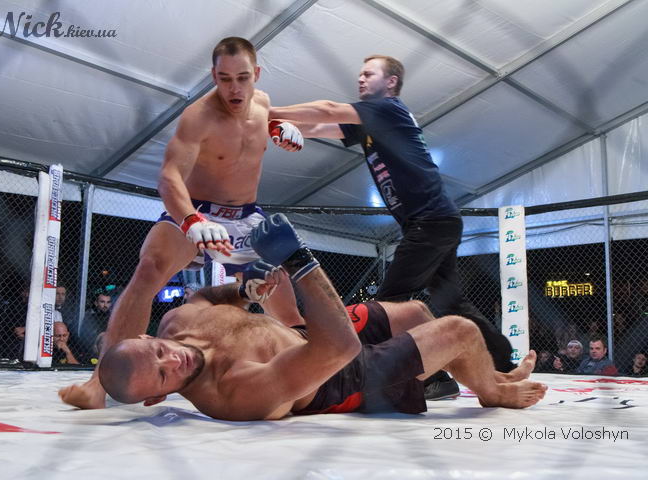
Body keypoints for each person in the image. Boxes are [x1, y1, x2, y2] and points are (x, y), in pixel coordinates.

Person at [97, 214, 546, 420]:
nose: (172, 359)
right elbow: (339, 348)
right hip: (338, 377)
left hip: (295, 335)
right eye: (163, 375)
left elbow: (206, 295)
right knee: (459, 331)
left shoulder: (178, 323)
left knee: (415, 311)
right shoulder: (233, 393)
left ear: (152, 336)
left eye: (158, 352)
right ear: (159, 398)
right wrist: (299, 260)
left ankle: (493, 376)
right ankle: (493, 393)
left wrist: (244, 290)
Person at [59, 37, 304, 409]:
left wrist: (287, 127)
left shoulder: (264, 105)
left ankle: (312, 373)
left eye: (242, 78)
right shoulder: (198, 115)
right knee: (149, 267)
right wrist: (191, 220)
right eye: (224, 79)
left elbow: (316, 113)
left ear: (256, 74)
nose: (234, 89)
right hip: (198, 208)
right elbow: (169, 175)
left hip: (245, 215)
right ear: (214, 76)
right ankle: (98, 384)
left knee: (277, 287)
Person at [268, 54, 515, 397]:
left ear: (391, 82)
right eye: (360, 73)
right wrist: (282, 127)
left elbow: (328, 110)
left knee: (389, 305)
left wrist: (267, 112)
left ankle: (431, 377)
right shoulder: (371, 121)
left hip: (430, 222)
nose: (360, 79)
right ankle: (504, 364)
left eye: (369, 74)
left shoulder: (387, 109)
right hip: (436, 221)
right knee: (452, 303)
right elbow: (321, 128)